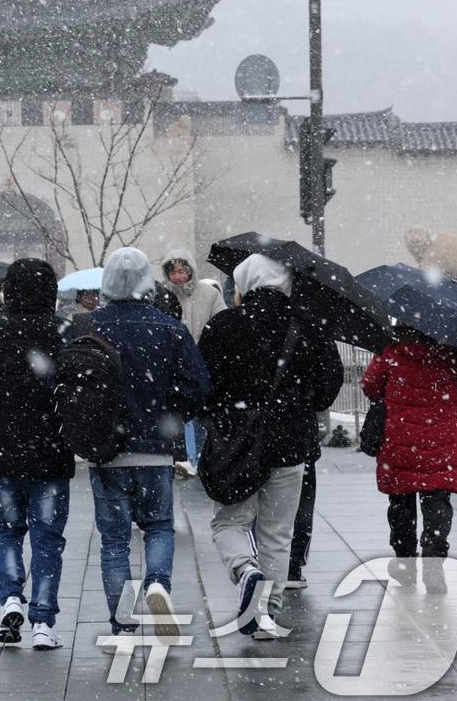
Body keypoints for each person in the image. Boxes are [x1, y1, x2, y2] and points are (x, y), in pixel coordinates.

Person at [197, 253, 342, 639]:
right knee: (278, 531)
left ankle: (246, 570)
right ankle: (266, 615)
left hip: (237, 442)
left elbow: (203, 386)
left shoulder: (223, 325)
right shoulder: (309, 328)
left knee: (229, 520)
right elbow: (328, 391)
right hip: (291, 442)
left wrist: (220, 414)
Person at [87, 248, 209, 643]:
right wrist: (170, 416)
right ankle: (158, 585)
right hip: (154, 447)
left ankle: (122, 621)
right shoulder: (168, 328)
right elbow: (198, 387)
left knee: (115, 539)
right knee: (158, 526)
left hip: (105, 449)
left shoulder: (88, 327)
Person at [0, 258, 70, 649]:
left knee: (6, 529)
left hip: (4, 449)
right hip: (52, 450)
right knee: (47, 537)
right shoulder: (62, 334)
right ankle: (43, 619)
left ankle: (10, 598)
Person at [361, 325, 457, 588]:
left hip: (400, 441)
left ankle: (405, 563)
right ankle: (434, 562)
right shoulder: (451, 351)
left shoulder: (390, 350)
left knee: (401, 506)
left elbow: (371, 387)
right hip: (441, 442)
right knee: (437, 504)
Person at [161, 249, 227, 475]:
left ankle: (200, 457)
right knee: (185, 415)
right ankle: (191, 458)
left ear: (190, 270)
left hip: (204, 361)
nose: (178, 276)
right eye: (173, 272)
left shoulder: (209, 294)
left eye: (182, 271)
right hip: (174, 363)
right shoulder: (162, 296)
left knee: (201, 414)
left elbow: (222, 324)